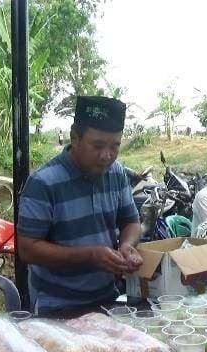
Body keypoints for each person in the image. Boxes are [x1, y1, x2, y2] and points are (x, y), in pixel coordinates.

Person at [17, 96, 143, 314]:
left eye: (115, 146)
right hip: (56, 308)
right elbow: (28, 250)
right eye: (98, 145)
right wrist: (90, 256)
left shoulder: (117, 173)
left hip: (106, 301)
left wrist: (126, 245)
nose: (107, 156)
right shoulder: (43, 183)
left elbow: (130, 221)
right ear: (74, 137)